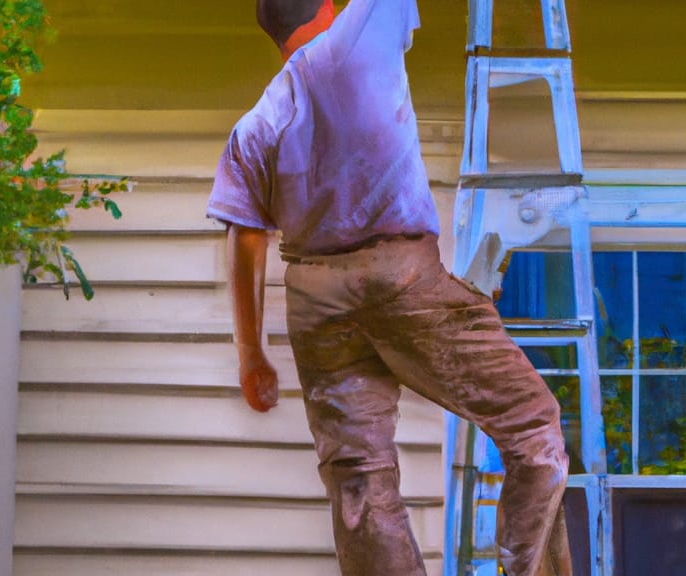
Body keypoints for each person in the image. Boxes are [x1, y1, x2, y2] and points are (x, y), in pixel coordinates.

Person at [206, 1, 572, 574]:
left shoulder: (254, 124)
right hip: (399, 279)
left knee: (359, 480)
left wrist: (252, 355)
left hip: (314, 302)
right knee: (532, 424)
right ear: (328, 5)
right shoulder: (358, 32)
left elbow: (245, 239)